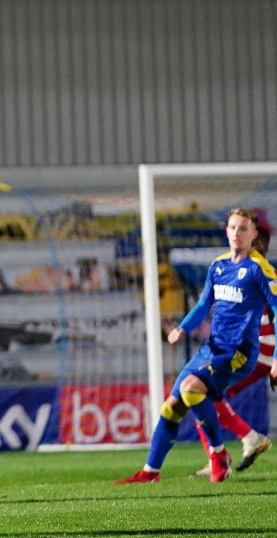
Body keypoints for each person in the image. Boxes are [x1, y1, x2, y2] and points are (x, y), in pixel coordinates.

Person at [116, 208, 277, 485]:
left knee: (192, 389)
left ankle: (218, 455)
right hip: (212, 348)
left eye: (243, 229)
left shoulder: (259, 269)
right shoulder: (218, 266)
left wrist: (276, 359)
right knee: (172, 406)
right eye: (233, 228)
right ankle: (150, 472)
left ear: (253, 234)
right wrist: (182, 328)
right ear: (226, 231)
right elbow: (204, 304)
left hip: (238, 353)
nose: (237, 233)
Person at [193, 226, 274, 475]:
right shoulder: (258, 271)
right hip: (262, 354)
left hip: (256, 352)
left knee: (198, 394)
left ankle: (238, 446)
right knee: (199, 396)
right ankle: (222, 456)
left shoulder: (254, 273)